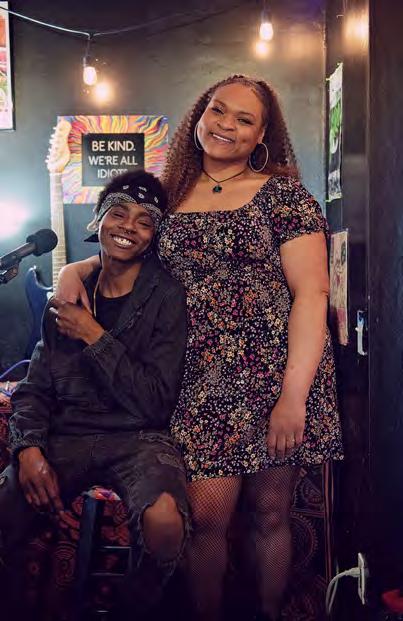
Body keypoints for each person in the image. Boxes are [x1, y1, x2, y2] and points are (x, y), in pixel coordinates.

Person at [56, 74, 343, 621]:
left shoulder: (284, 196)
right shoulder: (169, 195)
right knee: (206, 518)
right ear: (200, 114)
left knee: (270, 512)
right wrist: (78, 267)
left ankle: (268, 613)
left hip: (276, 373)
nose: (226, 125)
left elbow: (312, 295)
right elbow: (128, 249)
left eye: (244, 119)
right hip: (195, 377)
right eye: (218, 110)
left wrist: (294, 397)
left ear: (262, 135)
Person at [0, 170, 189, 620]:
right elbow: (35, 388)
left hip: (139, 439)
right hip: (68, 436)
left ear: (155, 235)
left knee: (165, 521)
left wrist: (93, 335)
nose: (129, 227)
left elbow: (156, 402)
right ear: (98, 220)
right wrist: (28, 449)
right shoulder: (69, 294)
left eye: (145, 221)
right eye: (118, 213)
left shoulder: (167, 297)